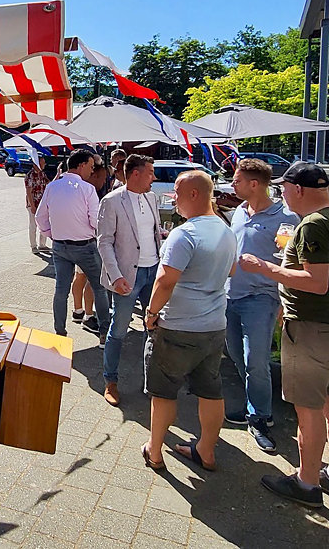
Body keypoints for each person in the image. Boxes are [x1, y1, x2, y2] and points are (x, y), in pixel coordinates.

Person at [238, 162, 329, 507]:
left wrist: (266, 268)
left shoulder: (313, 225)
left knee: (307, 410)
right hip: (326, 328)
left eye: (284, 188)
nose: (282, 194)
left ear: (299, 190)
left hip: (310, 329)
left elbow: (317, 283)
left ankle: (307, 484)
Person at [142, 171, 236, 471]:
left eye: (178, 193)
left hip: (178, 327)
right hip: (213, 326)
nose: (173, 198)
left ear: (195, 194)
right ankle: (206, 451)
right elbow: (231, 271)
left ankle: (154, 452)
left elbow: (165, 281)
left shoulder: (185, 234)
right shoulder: (225, 229)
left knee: (163, 392)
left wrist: (151, 313)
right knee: (210, 390)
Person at [224, 158, 299, 454]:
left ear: (254, 184)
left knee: (256, 360)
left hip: (261, 299)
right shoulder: (240, 211)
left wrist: (281, 300)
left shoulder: (285, 219)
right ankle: (252, 403)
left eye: (237, 180)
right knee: (236, 355)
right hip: (230, 295)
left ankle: (260, 417)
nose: (232, 184)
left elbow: (288, 262)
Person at [97, 154, 161, 407]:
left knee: (154, 328)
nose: (154, 178)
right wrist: (116, 276)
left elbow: (152, 232)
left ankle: (152, 382)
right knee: (119, 330)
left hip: (152, 272)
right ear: (135, 173)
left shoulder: (152, 197)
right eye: (150, 172)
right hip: (127, 277)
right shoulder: (112, 201)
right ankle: (110, 381)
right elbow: (104, 242)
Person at [35, 149, 110, 343]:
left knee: (61, 290)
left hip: (60, 246)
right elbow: (95, 221)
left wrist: (52, 234)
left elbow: (40, 217)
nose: (92, 172)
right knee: (99, 288)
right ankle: (104, 334)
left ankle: (60, 333)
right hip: (84, 245)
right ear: (82, 165)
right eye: (91, 167)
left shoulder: (53, 187)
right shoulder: (87, 189)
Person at [72, 155, 110, 332]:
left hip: (80, 241)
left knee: (81, 277)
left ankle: (78, 311)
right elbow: (95, 221)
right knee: (91, 279)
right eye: (102, 178)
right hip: (88, 242)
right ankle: (88, 315)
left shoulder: (81, 189)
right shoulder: (88, 190)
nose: (104, 182)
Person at [24, 153, 50, 253]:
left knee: (44, 224)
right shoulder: (30, 175)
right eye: (43, 163)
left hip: (42, 203)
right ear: (37, 163)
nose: (44, 165)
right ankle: (33, 246)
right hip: (33, 203)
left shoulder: (42, 174)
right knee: (33, 225)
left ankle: (42, 245)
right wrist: (32, 206)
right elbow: (29, 192)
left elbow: (48, 184)